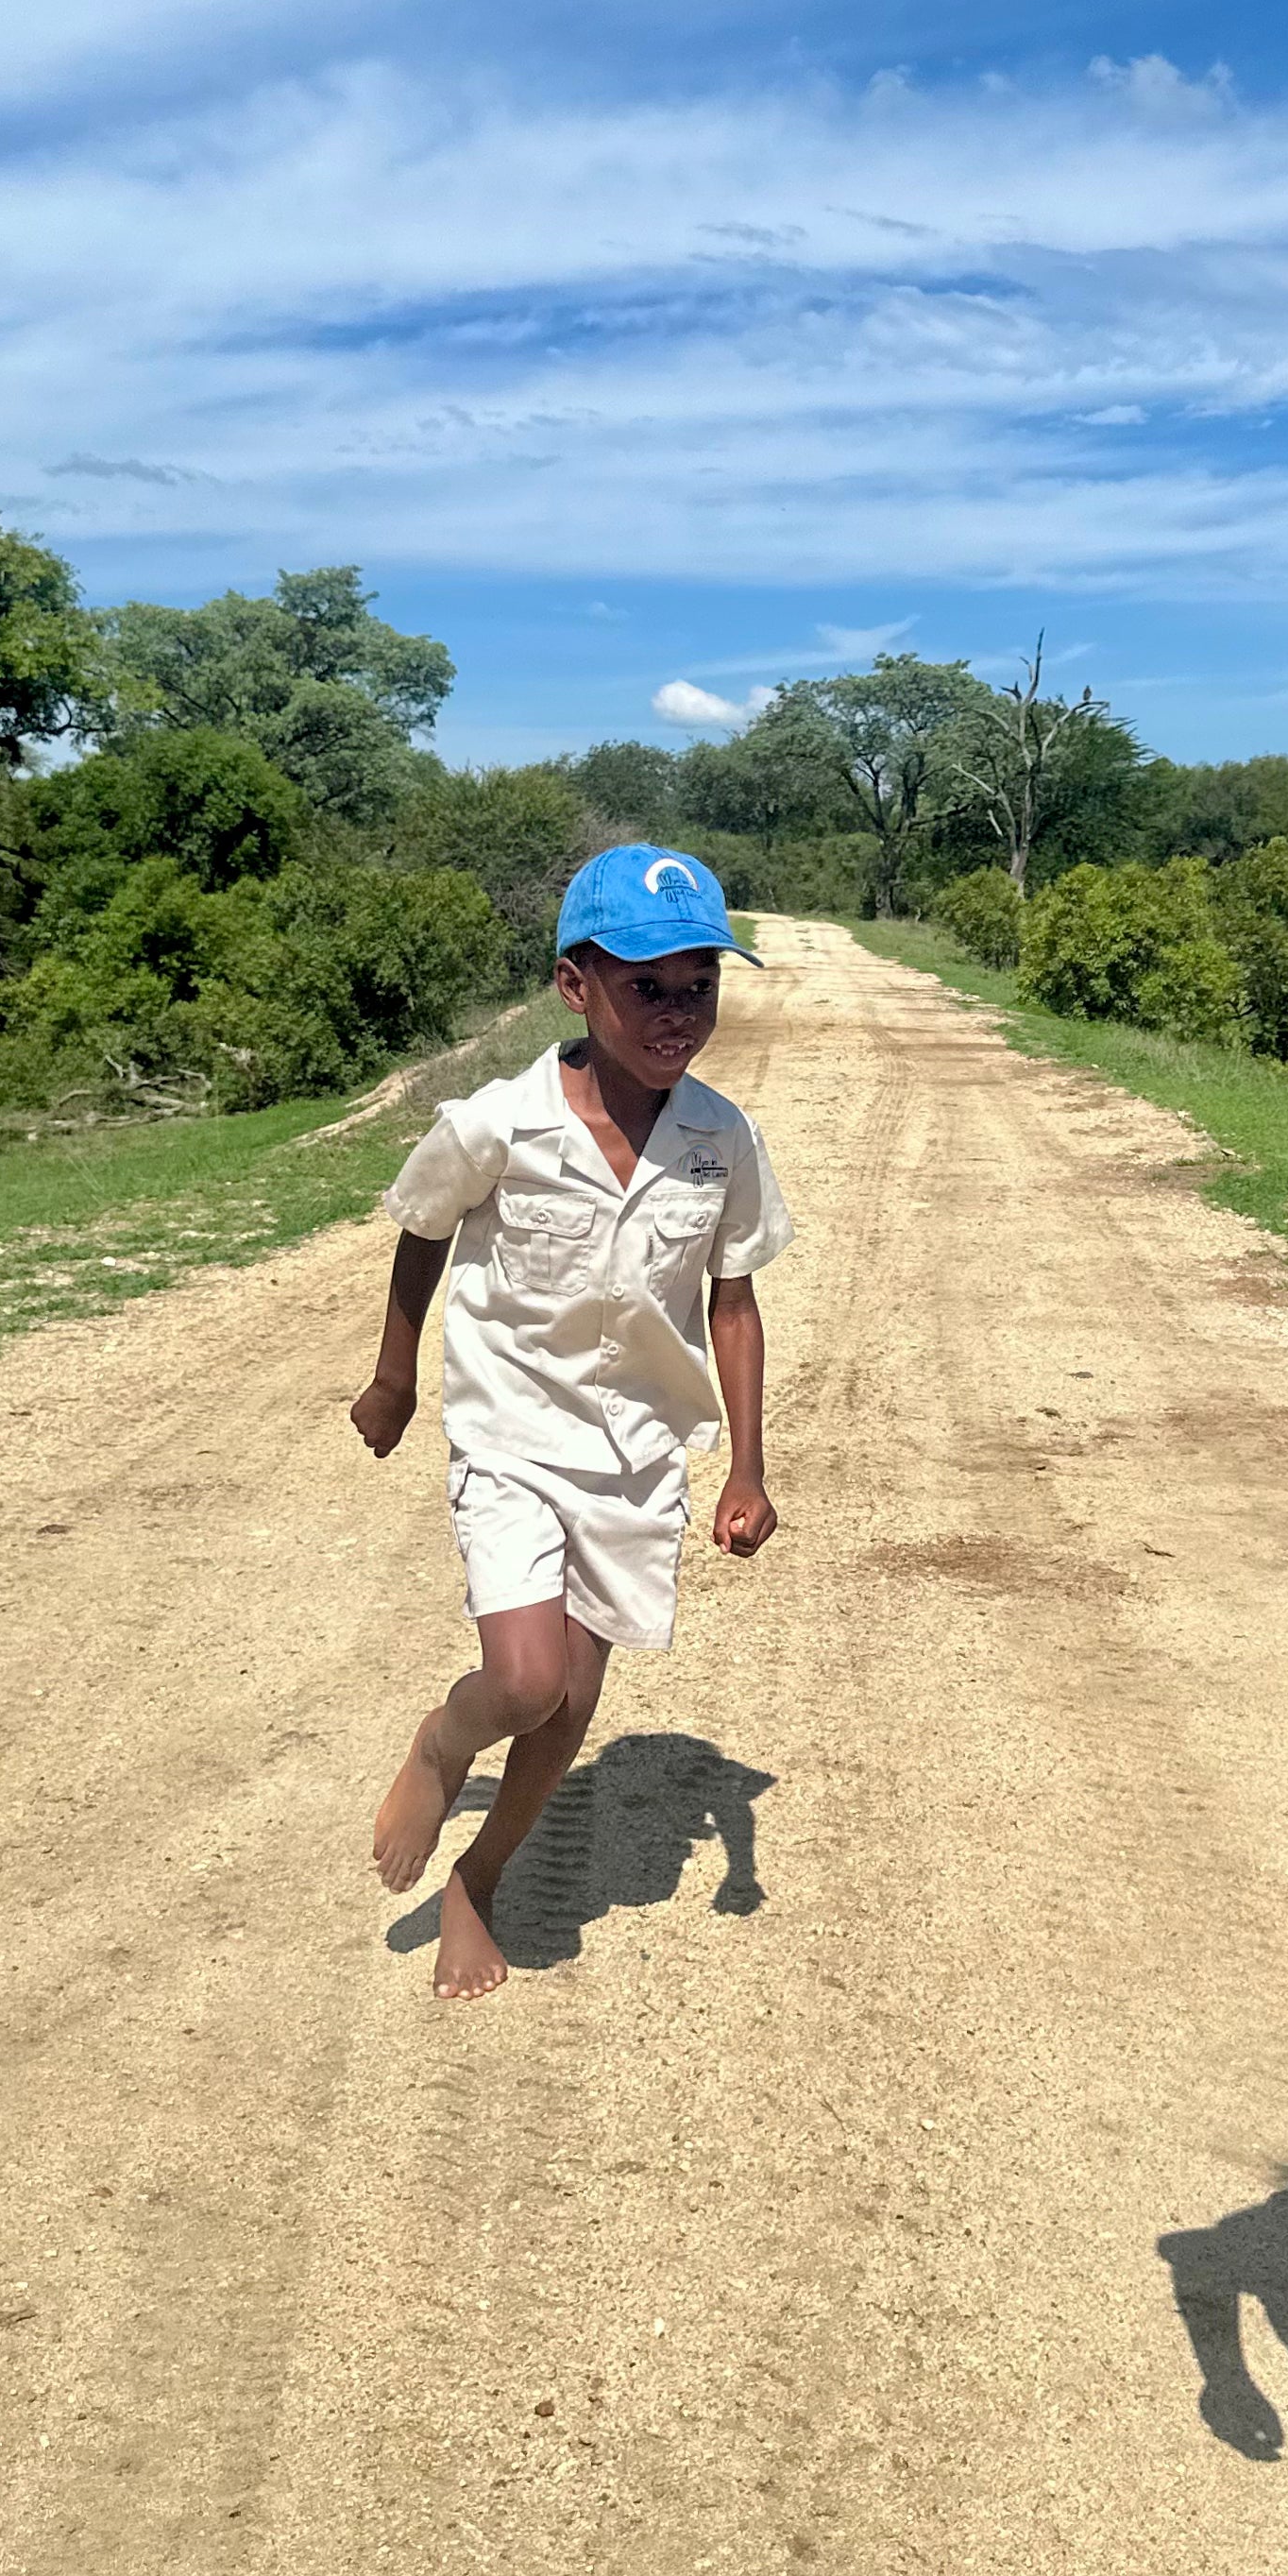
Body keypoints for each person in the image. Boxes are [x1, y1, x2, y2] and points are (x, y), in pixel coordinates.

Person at [353, 844, 792, 2002]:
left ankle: (477, 1884)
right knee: (525, 1676)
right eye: (648, 984)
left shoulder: (720, 1138)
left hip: (636, 1453)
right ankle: (444, 1746)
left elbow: (733, 1300)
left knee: (575, 1704)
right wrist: (395, 1378)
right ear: (574, 983)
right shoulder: (501, 1122)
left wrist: (749, 1465)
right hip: (510, 1430)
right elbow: (422, 1226)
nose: (679, 1011)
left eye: (700, 983)